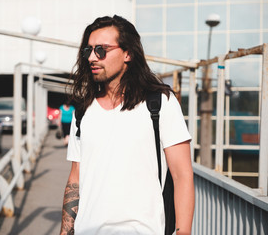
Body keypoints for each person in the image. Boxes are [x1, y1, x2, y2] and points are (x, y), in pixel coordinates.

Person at [60, 15, 194, 235]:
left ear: (128, 53)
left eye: (101, 50)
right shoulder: (82, 111)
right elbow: (75, 178)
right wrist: (65, 231)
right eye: (88, 51)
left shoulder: (159, 104)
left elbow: (182, 176)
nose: (92, 57)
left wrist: (183, 232)